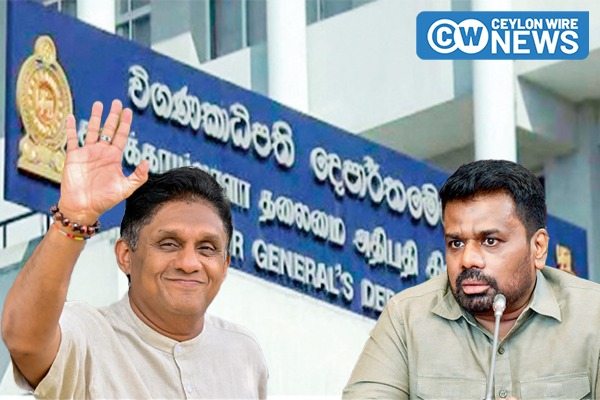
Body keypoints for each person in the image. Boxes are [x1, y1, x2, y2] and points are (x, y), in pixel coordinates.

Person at [1, 100, 268, 399]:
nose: (189, 262)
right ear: (126, 256)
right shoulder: (89, 338)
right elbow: (24, 340)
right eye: (169, 244)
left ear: (225, 264)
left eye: (207, 248)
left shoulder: (243, 354)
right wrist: (73, 218)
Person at [343, 159, 600, 399]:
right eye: (456, 243)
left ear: (538, 247)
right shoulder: (406, 317)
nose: (467, 260)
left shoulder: (593, 315)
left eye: (490, 241)